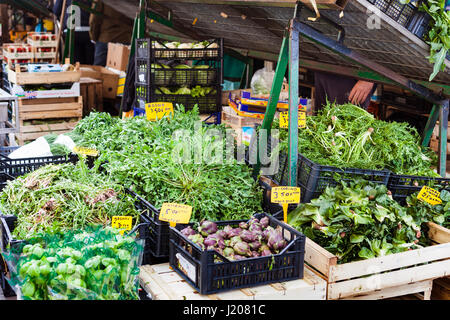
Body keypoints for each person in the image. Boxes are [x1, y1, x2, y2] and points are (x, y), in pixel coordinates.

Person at [89, 0, 134, 66]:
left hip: (106, 38)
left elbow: (95, 20)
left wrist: (94, 37)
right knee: (123, 72)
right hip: (126, 38)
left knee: (99, 71)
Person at [52, 0, 95, 65]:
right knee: (89, 63)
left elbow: (56, 11)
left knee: (75, 62)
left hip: (71, 32)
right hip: (89, 32)